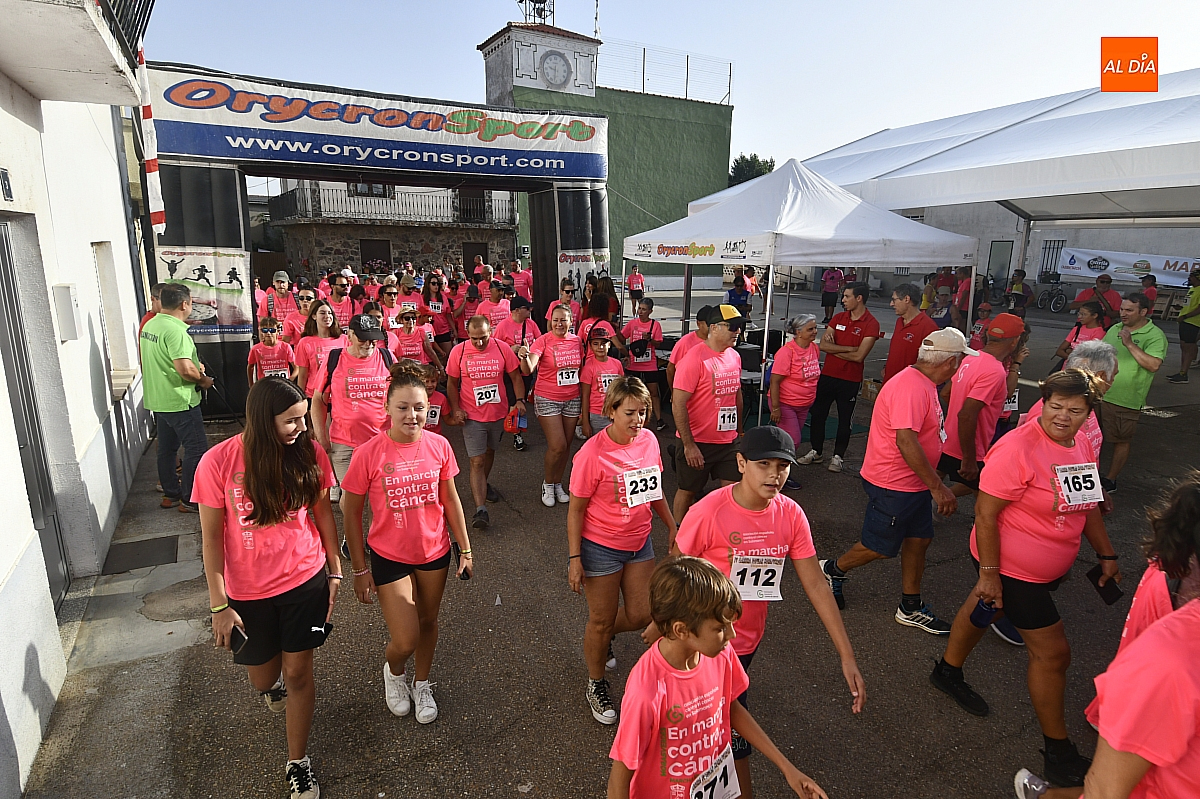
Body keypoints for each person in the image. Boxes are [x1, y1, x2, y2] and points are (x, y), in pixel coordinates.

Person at [930, 369, 1121, 788]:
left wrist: (1106, 553)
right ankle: (1058, 754)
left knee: (985, 608)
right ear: (1043, 403)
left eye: (1075, 410)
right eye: (1055, 406)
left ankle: (946, 670)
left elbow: (1086, 502)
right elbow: (985, 514)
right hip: (1011, 567)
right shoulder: (1017, 447)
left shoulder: (1081, 443)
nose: (1063, 416)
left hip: (1041, 567)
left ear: (1089, 413)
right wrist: (990, 575)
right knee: (1053, 655)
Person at [665, 427, 864, 799]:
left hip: (746, 641)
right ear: (741, 464)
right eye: (764, 465)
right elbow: (677, 566)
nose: (774, 475)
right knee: (726, 726)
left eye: (782, 466)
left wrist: (846, 655)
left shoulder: (790, 515)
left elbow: (816, 584)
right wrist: (664, 625)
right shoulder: (709, 510)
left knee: (722, 721)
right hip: (703, 642)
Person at [195, 376, 340, 799]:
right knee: (264, 678)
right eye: (290, 421)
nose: (301, 428)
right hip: (247, 595)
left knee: (298, 673)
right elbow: (211, 538)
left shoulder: (308, 452)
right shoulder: (217, 462)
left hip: (305, 580)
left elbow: (323, 514)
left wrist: (334, 571)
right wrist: (219, 605)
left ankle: (298, 762)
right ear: (262, 420)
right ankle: (271, 687)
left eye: (303, 418)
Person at [608, 556, 829, 799]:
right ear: (682, 630)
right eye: (720, 628)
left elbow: (731, 707)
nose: (732, 635)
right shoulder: (646, 691)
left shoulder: (720, 654)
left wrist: (788, 768)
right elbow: (620, 778)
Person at [340, 361, 473, 727]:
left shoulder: (439, 445)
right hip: (389, 556)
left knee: (428, 621)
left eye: (419, 407)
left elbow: (450, 500)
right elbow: (351, 512)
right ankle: (395, 672)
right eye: (402, 407)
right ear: (387, 407)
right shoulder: (369, 453)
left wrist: (465, 548)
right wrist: (359, 569)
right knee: (405, 638)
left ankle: (422, 683)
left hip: (434, 551)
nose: (412, 415)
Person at [819, 328, 969, 632]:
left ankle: (910, 606)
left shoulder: (923, 382)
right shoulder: (911, 387)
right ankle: (832, 568)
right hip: (894, 484)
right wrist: (938, 487)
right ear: (950, 362)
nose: (961, 365)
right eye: (961, 359)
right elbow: (906, 441)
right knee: (878, 547)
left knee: (919, 539)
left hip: (912, 483)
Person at [568, 377, 675, 724]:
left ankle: (603, 636)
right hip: (601, 547)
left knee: (643, 614)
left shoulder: (649, 441)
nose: (637, 420)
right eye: (630, 413)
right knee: (600, 620)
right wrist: (574, 558)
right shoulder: (592, 454)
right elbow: (576, 510)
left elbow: (654, 490)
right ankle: (595, 682)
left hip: (640, 541)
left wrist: (672, 525)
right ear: (611, 411)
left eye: (642, 412)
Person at [445, 315, 526, 530]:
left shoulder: (501, 348)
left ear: (491, 332)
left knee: (489, 452)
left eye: (483, 337)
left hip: (498, 414)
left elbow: (516, 377)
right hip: (472, 416)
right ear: (468, 335)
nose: (479, 343)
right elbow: (452, 383)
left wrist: (519, 400)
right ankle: (481, 510)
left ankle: (483, 484)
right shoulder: (459, 351)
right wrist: (456, 408)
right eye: (474, 338)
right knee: (477, 461)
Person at [140, 283, 213, 513]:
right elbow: (185, 370)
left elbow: (166, 360)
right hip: (180, 400)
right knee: (196, 449)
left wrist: (193, 366)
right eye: (191, 302)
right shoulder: (176, 331)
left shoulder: (151, 324)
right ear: (184, 304)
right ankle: (190, 499)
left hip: (159, 399)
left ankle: (171, 494)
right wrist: (203, 380)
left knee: (167, 449)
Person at [670, 304, 745, 525]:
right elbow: (678, 403)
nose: (738, 331)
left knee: (733, 492)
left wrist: (739, 430)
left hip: (728, 441)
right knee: (688, 491)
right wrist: (688, 444)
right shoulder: (694, 359)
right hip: (698, 441)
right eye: (732, 327)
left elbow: (736, 394)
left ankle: (724, 534)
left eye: (740, 326)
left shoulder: (735, 357)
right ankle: (678, 534)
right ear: (714, 328)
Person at [938, 312, 1027, 497]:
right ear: (1015, 341)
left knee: (931, 485)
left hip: (949, 440)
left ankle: (934, 505)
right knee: (986, 497)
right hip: (970, 447)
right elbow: (966, 414)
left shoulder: (971, 358)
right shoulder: (995, 371)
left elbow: (946, 393)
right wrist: (969, 458)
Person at [311, 314, 393, 506]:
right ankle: (350, 526)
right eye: (363, 339)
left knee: (380, 498)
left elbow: (400, 396)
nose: (369, 344)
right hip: (344, 443)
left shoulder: (386, 357)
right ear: (349, 335)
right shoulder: (334, 359)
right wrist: (321, 437)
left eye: (373, 339)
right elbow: (318, 400)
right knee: (350, 498)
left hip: (381, 441)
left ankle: (374, 528)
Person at [798, 283, 880, 472]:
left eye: (847, 296)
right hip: (828, 375)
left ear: (859, 298)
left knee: (845, 419)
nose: (843, 300)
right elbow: (824, 346)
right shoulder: (838, 318)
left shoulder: (871, 323)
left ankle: (838, 456)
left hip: (850, 379)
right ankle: (816, 451)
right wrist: (851, 348)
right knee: (818, 414)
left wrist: (837, 350)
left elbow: (859, 357)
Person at [1100, 293, 1166, 491]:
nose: (1123, 314)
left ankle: (1111, 479)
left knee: (1120, 439)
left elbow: (1153, 365)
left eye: (1129, 310)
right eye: (1122, 309)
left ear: (1143, 312)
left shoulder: (1155, 335)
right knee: (1090, 435)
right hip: (1099, 392)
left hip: (1124, 398)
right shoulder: (1115, 328)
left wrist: (1129, 344)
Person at [519, 304, 583, 507]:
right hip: (548, 398)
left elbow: (581, 371)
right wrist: (524, 356)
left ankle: (557, 483)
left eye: (563, 320)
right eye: (555, 320)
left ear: (571, 321)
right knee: (558, 445)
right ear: (550, 322)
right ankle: (547, 483)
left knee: (566, 447)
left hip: (572, 398)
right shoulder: (543, 340)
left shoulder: (577, 341)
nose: (559, 324)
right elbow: (529, 369)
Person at [769, 314, 820, 491]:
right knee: (793, 441)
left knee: (790, 442)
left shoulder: (814, 348)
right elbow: (774, 381)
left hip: (803, 404)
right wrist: (776, 408)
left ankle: (778, 472)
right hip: (785, 404)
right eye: (810, 329)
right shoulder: (787, 352)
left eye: (815, 328)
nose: (815, 332)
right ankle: (777, 474)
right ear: (798, 332)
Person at [621, 299, 665, 431]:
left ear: (650, 311)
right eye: (639, 308)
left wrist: (650, 339)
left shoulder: (655, 325)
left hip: (649, 364)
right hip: (633, 364)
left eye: (644, 309)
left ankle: (659, 419)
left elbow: (658, 343)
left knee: (653, 392)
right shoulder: (632, 323)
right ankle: (629, 416)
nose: (640, 311)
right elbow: (622, 337)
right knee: (631, 391)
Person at [882, 283, 939, 383]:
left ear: (906, 299)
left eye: (894, 300)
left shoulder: (928, 327)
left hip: (909, 385)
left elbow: (931, 364)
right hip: (890, 382)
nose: (891, 304)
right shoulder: (899, 321)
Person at [294, 300, 346, 400]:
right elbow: (303, 375)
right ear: (314, 316)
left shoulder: (344, 339)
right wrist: (300, 399)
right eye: (322, 313)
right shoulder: (305, 342)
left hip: (338, 396)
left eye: (330, 313)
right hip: (314, 396)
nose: (327, 316)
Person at [579, 324, 624, 437]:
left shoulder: (617, 364)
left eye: (604, 343)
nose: (600, 347)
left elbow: (622, 390)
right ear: (590, 346)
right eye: (596, 344)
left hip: (615, 411)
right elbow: (585, 395)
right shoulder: (589, 367)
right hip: (597, 414)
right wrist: (585, 422)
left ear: (609, 344)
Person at [1166, 268, 1200, 383]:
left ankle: (1184, 373)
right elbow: (1191, 305)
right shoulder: (1192, 289)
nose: (1189, 278)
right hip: (1185, 322)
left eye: (1192, 276)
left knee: (1188, 347)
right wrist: (1181, 309)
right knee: (1183, 347)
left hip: (1193, 322)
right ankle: (1181, 371)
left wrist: (1186, 316)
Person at [664, 306, 711, 387]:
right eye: (709, 324)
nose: (713, 327)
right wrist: (674, 392)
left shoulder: (719, 342)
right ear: (698, 324)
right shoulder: (685, 342)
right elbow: (670, 370)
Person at [1050, 301, 1105, 370]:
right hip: (1066, 368)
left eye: (1084, 314)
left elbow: (1088, 356)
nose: (1080, 317)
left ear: (1094, 315)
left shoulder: (1099, 333)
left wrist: (1069, 351)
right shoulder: (1077, 329)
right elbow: (1059, 351)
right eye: (1079, 314)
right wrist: (1074, 355)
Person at [247, 317, 296, 384]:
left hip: (283, 384)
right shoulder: (256, 349)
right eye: (265, 330)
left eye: (272, 330)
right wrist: (251, 384)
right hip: (265, 385)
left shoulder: (286, 347)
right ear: (261, 332)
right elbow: (250, 367)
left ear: (278, 331)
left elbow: (296, 367)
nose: (268, 333)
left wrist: (290, 380)